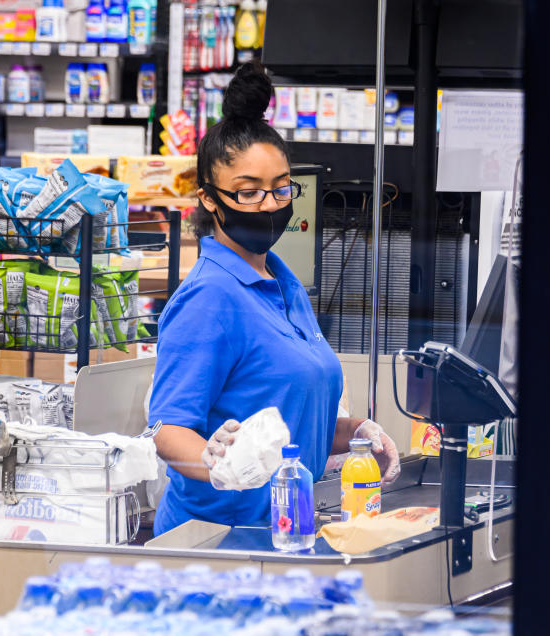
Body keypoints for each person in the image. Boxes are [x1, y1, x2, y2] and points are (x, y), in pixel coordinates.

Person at [148, 62, 400, 536]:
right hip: (215, 541)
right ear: (208, 198)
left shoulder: (284, 285)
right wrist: (213, 461)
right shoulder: (209, 298)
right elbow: (166, 431)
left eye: (281, 188)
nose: (269, 204)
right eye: (248, 193)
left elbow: (290, 429)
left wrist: (356, 432)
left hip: (282, 531)